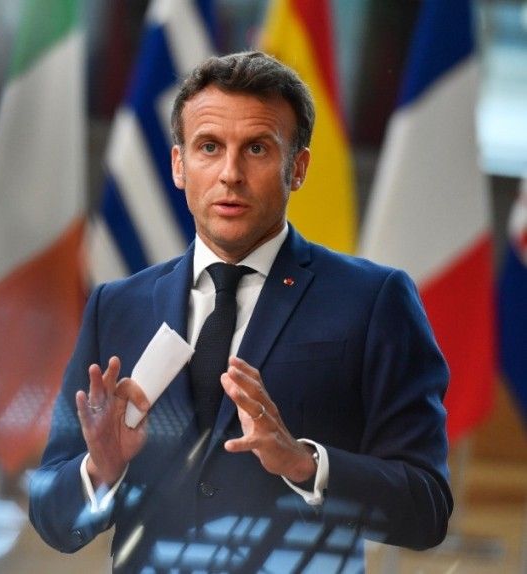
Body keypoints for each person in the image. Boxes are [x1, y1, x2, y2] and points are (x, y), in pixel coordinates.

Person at [28, 51, 452, 572]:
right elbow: (52, 517)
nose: (231, 174)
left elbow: (427, 509)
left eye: (257, 148)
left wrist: (305, 463)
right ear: (179, 165)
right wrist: (101, 469)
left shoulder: (374, 299)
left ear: (298, 168)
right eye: (209, 147)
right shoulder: (116, 306)